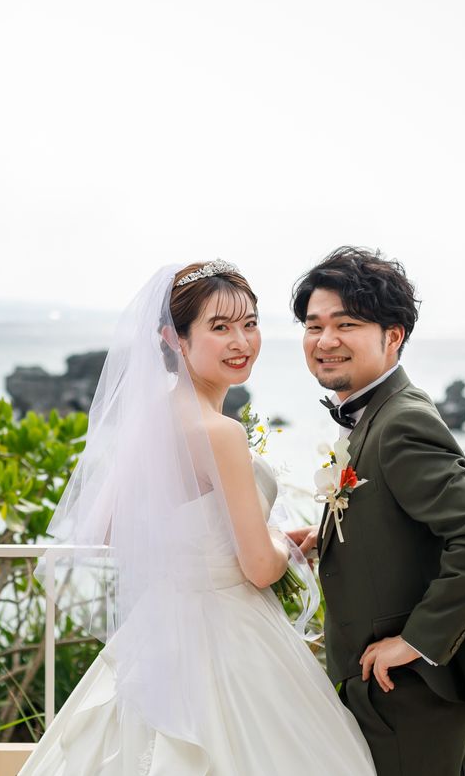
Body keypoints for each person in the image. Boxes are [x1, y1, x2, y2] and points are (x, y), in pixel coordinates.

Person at [19, 261, 375, 775]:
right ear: (174, 338)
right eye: (220, 327)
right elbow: (260, 568)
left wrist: (202, 542)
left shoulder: (151, 418)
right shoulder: (219, 432)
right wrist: (281, 541)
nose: (241, 342)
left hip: (160, 629)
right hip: (231, 634)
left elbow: (110, 529)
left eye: (250, 324)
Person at [285, 246, 465, 776]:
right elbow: (401, 512)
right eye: (314, 326)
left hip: (412, 697)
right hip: (385, 693)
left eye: (346, 324)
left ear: (393, 336)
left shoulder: (402, 422)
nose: (325, 340)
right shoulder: (376, 414)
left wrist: (414, 642)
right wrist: (328, 534)